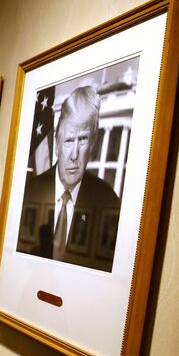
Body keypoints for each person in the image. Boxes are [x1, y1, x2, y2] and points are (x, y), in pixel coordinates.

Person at [18, 86, 120, 269]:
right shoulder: (27, 193)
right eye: (68, 141)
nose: (74, 155)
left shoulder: (109, 201)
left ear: (92, 145)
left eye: (83, 140)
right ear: (57, 143)